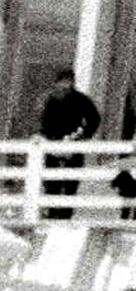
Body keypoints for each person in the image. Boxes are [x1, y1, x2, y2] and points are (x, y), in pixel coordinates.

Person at [38, 68, 100, 218]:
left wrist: (82, 135)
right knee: (52, 184)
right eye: (62, 82)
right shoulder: (51, 100)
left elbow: (94, 119)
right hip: (53, 145)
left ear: (72, 82)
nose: (64, 85)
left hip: (73, 144)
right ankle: (52, 217)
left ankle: (65, 218)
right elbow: (44, 122)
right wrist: (45, 137)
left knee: (70, 185)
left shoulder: (80, 99)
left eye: (67, 81)